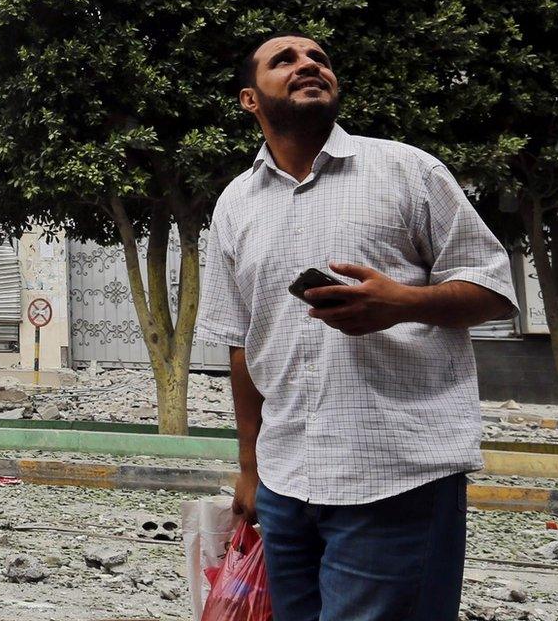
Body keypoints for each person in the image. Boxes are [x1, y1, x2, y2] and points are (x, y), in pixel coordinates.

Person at [196, 34, 516, 621]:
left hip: (397, 476)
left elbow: (495, 291)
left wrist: (403, 304)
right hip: (287, 483)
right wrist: (250, 469)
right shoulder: (236, 203)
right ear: (250, 99)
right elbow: (242, 343)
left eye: (318, 58)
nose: (308, 65)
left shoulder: (408, 171)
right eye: (284, 60)